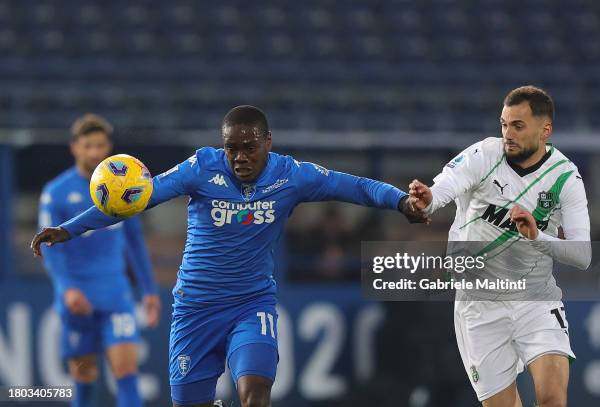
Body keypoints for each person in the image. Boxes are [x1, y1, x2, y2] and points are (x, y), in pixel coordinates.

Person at [32, 105, 428, 407]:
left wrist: (401, 203)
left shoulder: (291, 176)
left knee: (254, 391)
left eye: (249, 148)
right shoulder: (200, 168)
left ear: (267, 143)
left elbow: (354, 186)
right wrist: (68, 228)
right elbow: (135, 200)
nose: (239, 157)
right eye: (231, 148)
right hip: (195, 308)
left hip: (249, 303)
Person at [408, 86, 591, 407]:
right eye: (504, 124)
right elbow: (443, 190)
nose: (508, 134)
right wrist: (428, 200)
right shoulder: (483, 155)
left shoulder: (565, 178)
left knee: (552, 400)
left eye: (518, 126)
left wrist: (538, 237)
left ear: (545, 130)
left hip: (535, 299)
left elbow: (583, 255)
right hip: (478, 305)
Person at [37, 114, 161, 407]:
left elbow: (134, 241)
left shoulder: (123, 188)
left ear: (109, 147)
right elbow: (51, 249)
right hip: (77, 297)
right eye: (88, 145)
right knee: (84, 377)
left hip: (116, 295)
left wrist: (149, 289)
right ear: (74, 148)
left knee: (127, 371)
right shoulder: (56, 193)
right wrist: (67, 288)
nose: (95, 152)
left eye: (100, 145)